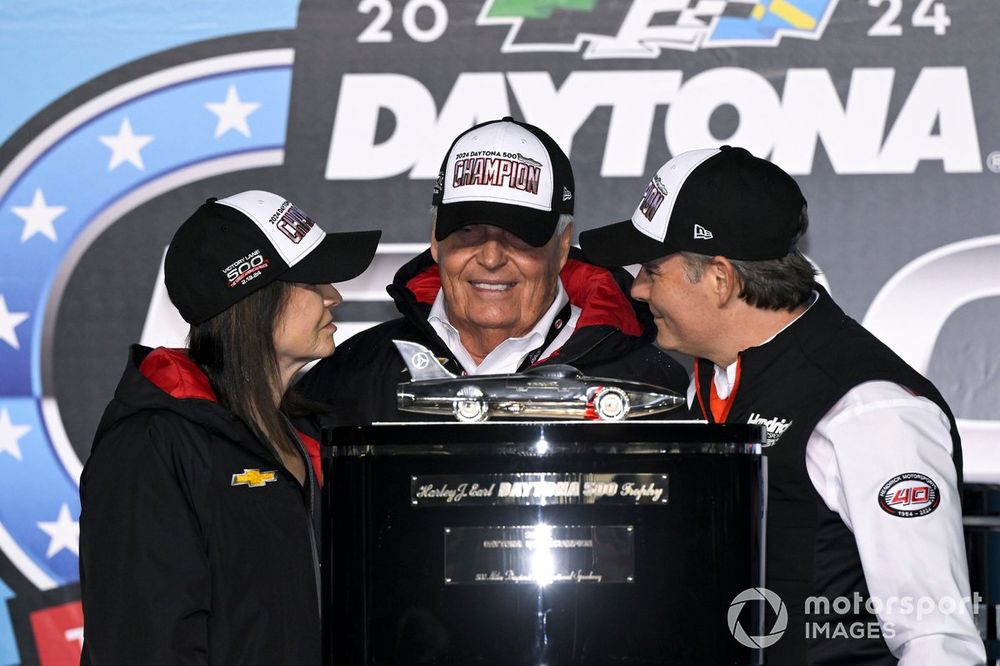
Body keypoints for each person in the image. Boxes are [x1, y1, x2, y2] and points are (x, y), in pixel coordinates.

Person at [579, 146, 985, 665]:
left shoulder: (871, 411)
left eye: (653, 270)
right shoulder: (713, 377)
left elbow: (938, 643)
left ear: (720, 279)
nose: (636, 289)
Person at [78, 191, 380, 665]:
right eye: (314, 279)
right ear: (254, 296)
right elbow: (143, 645)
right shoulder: (151, 445)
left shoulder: (308, 432)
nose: (333, 296)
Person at [297, 117, 687, 423]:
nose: (491, 257)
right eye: (467, 231)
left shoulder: (648, 384)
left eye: (519, 235)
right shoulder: (348, 375)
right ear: (435, 238)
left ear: (563, 244)